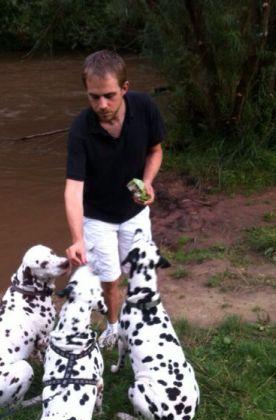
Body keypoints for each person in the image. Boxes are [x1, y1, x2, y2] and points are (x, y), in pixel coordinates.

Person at [64, 50, 165, 348]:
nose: (102, 105)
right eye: (94, 97)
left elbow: (155, 150)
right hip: (97, 216)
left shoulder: (145, 107)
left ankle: (141, 326)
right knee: (109, 279)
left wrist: (147, 182)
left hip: (133, 212)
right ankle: (113, 326)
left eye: (109, 95)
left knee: (139, 273)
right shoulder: (81, 129)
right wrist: (77, 238)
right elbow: (73, 188)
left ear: (125, 88)